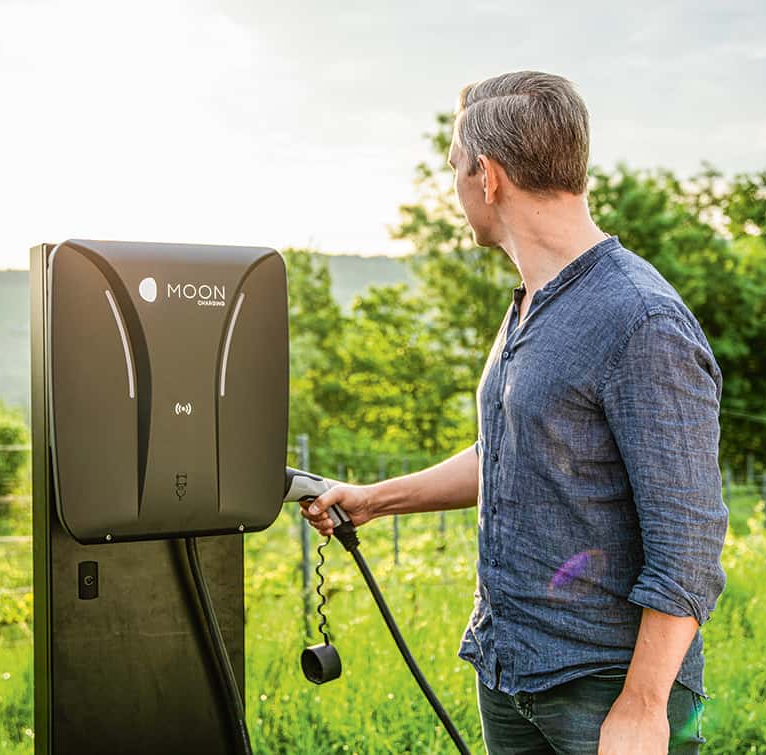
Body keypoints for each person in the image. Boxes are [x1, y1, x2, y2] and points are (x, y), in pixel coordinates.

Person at [301, 70, 728, 755]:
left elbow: (690, 538)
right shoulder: (534, 302)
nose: (454, 186)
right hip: (508, 671)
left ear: (489, 176)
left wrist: (644, 707)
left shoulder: (640, 319)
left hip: (606, 690)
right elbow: (511, 450)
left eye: (454, 166)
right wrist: (375, 500)